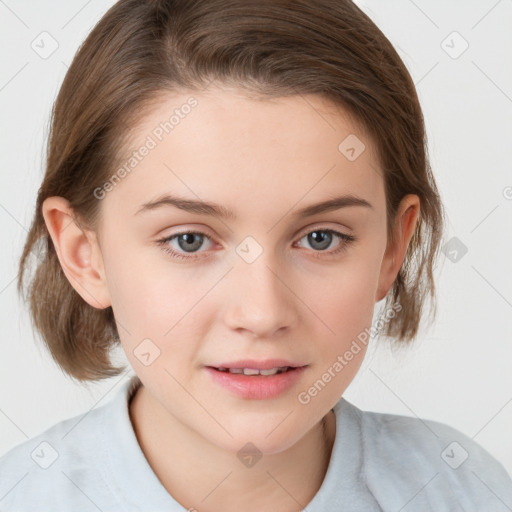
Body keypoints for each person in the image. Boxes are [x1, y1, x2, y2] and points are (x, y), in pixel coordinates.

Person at [1, 0, 511, 510]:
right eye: (189, 240)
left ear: (391, 248)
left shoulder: (466, 492)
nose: (263, 314)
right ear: (84, 255)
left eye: (321, 238)